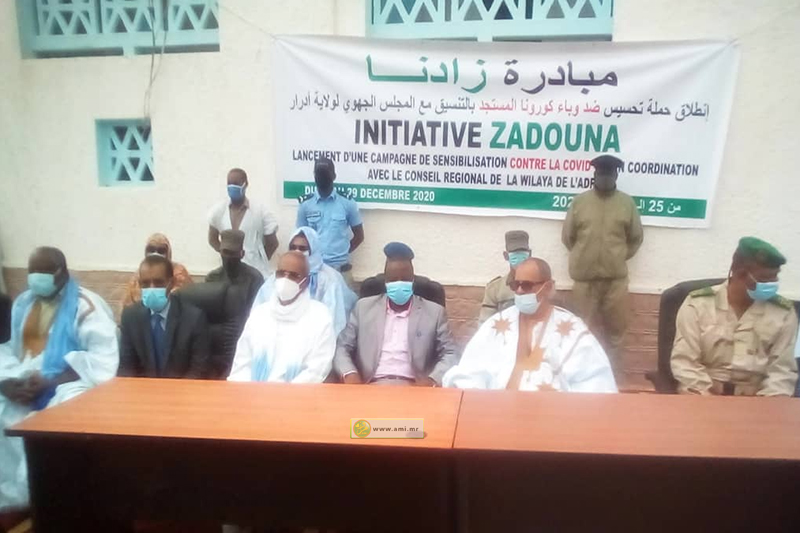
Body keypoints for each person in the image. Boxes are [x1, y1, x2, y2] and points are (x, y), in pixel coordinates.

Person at [0, 247, 118, 510]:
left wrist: (51, 382)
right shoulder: (23, 303)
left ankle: (42, 499)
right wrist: (7, 382)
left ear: (62, 272)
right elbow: (9, 349)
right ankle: (11, 498)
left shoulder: (86, 306)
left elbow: (103, 361)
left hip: (70, 384)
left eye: (44, 271)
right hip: (23, 382)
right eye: (32, 270)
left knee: (55, 422)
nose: (36, 276)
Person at [444, 258, 616, 392]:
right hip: (498, 413)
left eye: (526, 285)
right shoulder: (498, 323)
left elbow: (595, 384)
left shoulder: (572, 328)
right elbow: (470, 371)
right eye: (515, 284)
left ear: (547, 287)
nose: (519, 291)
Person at [671, 237, 798, 396]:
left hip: (758, 399)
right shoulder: (697, 305)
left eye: (775, 277)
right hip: (702, 394)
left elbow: (782, 372)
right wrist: (707, 400)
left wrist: (766, 405)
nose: (773, 283)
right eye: (765, 278)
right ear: (740, 273)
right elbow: (685, 363)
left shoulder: (783, 313)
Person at [561, 154, 643, 375]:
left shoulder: (627, 204)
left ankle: (612, 379)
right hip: (584, 281)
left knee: (616, 334)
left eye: (609, 174)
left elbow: (636, 238)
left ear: (616, 175)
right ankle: (577, 376)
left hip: (615, 282)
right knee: (579, 331)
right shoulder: (580, 202)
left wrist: (617, 257)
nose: (605, 177)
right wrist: (584, 256)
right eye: (601, 173)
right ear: (594, 174)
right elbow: (568, 237)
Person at [333, 242, 458, 386]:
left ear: (413, 281)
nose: (399, 283)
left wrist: (432, 380)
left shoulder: (434, 312)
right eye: (393, 279)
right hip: (371, 385)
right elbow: (342, 347)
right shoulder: (363, 308)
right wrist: (349, 374)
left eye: (405, 279)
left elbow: (451, 353)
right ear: (386, 282)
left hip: (415, 387)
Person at [228, 252, 335, 383]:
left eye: (294, 275)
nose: (285, 279)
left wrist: (283, 393)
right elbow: (242, 363)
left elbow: (317, 369)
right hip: (252, 391)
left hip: (297, 393)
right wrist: (249, 391)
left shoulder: (320, 316)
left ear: (305, 282)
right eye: (281, 274)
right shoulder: (260, 313)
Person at [119, 255, 210, 379]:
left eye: (158, 283)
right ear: (139, 284)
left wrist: (173, 391)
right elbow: (126, 369)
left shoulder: (194, 318)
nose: (151, 289)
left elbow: (199, 370)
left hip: (183, 388)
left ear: (171, 283)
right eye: (145, 283)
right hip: (143, 389)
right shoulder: (130, 317)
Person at [253, 227, 356, 336]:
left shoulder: (329, 278)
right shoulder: (279, 276)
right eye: (293, 247)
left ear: (313, 249)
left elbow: (334, 319)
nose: (297, 252)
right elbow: (261, 308)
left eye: (303, 248)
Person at [296, 157, 364, 286]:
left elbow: (359, 236)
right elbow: (300, 238)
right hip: (314, 271)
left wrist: (342, 252)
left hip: (341, 271)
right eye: (319, 174)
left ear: (333, 176)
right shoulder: (305, 204)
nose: (322, 177)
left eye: (325, 174)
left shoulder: (347, 202)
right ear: (314, 176)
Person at [208, 168, 279, 279]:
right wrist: (227, 254)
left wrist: (259, 258)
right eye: (229, 183)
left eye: (236, 183)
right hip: (228, 273)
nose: (232, 187)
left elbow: (273, 243)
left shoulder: (260, 211)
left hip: (256, 271)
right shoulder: (218, 211)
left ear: (245, 184)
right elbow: (212, 239)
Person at [121, 233, 193, 310]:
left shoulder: (179, 274)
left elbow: (187, 304)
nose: (155, 254)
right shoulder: (138, 276)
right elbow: (127, 306)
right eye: (151, 250)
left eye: (161, 251)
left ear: (168, 253)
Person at [480, 230, 531, 324]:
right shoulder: (495, 288)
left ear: (530, 254)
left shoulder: (540, 285)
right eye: (514, 253)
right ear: (506, 256)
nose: (519, 258)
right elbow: (485, 324)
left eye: (522, 253)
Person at [206, 229, 265, 309]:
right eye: (225, 252)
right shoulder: (212, 278)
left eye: (233, 253)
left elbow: (257, 309)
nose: (229, 257)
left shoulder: (254, 278)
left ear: (242, 254)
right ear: (220, 252)